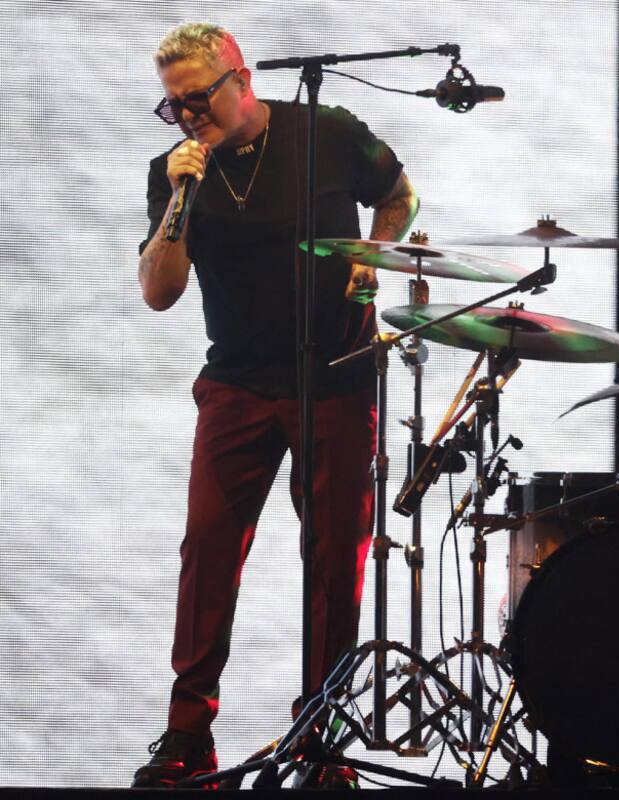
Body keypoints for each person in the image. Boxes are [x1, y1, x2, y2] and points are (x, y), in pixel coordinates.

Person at [133, 23, 418, 788]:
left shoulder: (328, 132)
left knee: (335, 558)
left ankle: (322, 736)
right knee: (207, 552)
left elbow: (399, 194)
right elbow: (159, 291)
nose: (188, 116)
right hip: (236, 383)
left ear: (241, 79)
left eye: (198, 99)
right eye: (173, 106)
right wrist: (180, 196)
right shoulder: (175, 172)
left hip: (336, 376)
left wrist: (375, 254)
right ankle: (187, 736)